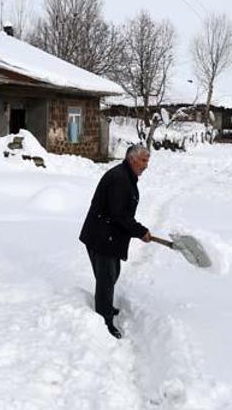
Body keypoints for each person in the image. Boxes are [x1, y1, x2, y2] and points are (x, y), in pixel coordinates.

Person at [79, 144, 152, 339]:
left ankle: (106, 307)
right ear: (131, 159)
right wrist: (140, 231)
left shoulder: (126, 176)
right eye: (143, 160)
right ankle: (104, 322)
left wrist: (138, 231)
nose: (146, 165)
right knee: (106, 279)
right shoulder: (120, 179)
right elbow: (118, 214)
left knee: (112, 275)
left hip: (108, 235)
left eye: (147, 161)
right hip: (101, 236)